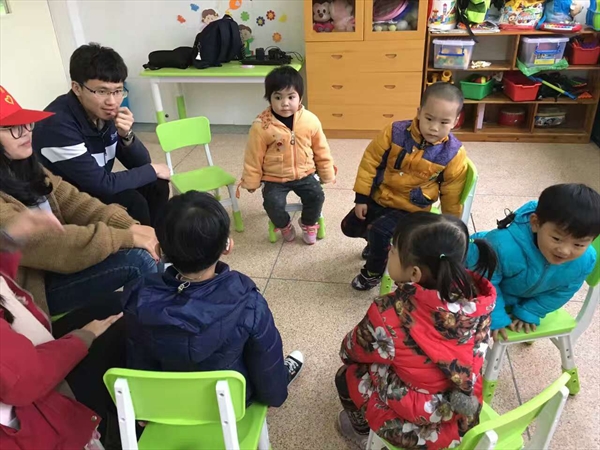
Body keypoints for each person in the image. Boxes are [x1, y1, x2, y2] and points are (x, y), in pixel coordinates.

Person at [123, 191, 304, 407]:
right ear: (228, 246)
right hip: (229, 405)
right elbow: (267, 367)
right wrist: (276, 396)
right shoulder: (249, 304)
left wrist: (144, 407)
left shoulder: (137, 297)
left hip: (168, 405)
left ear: (160, 250)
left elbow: (139, 357)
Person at [336, 213, 497, 450]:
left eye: (393, 250)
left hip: (413, 427)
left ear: (414, 274)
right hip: (463, 411)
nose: (389, 252)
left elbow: (352, 349)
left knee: (345, 374)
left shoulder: (387, 312)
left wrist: (350, 355)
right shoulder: (478, 303)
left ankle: (360, 431)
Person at [0, 85, 158, 316]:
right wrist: (125, 237)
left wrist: (130, 226)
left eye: (26, 123)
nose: (25, 132)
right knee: (139, 258)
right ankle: (156, 324)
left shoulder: (24, 166)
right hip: (34, 288)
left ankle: (161, 311)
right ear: (78, 88)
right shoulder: (61, 123)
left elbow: (75, 201)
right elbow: (48, 243)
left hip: (58, 261)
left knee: (146, 221)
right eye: (11, 128)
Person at [0, 209, 125, 449]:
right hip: (36, 406)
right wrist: (82, 338)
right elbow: (24, 379)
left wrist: (9, 241)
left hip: (36, 357)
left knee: (117, 306)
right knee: (121, 322)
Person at [342, 82, 468, 291]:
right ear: (419, 112)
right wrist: (362, 197)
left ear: (455, 121)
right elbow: (370, 161)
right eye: (429, 118)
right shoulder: (394, 132)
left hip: (412, 209)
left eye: (444, 122)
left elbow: (452, 192)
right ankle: (377, 246)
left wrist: (449, 227)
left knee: (379, 231)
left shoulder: (453, 154)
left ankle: (373, 272)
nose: (434, 127)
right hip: (381, 195)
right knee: (350, 226)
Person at [32, 43, 171, 227]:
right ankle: (145, 243)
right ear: (77, 88)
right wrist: (152, 169)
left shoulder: (103, 112)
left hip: (93, 183)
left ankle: (158, 237)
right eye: (102, 91)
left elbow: (141, 163)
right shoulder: (57, 124)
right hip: (67, 199)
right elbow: (101, 184)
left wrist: (126, 135)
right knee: (133, 201)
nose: (112, 101)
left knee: (157, 184)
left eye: (118, 91)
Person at [467, 183, 600, 341]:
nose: (565, 251)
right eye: (557, 238)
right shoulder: (501, 245)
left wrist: (530, 311)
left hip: (520, 294)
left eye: (579, 244)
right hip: (475, 274)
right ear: (535, 223)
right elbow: (484, 280)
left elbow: (563, 291)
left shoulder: (585, 260)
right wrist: (494, 315)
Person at [240, 66, 335, 245]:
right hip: (274, 178)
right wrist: (251, 181)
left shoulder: (310, 120)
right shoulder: (262, 125)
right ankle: (284, 225)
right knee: (272, 203)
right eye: (278, 97)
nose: (284, 103)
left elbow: (322, 149)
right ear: (269, 99)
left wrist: (326, 173)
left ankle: (308, 223)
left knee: (316, 196)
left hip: (305, 173)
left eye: (291, 97)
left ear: (300, 98)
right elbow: (253, 156)